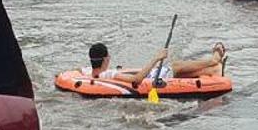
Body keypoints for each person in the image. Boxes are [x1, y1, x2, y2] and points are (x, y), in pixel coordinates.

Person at [83, 42, 226, 85]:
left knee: (191, 72)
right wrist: (156, 58)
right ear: (106, 58)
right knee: (176, 66)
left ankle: (215, 69)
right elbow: (136, 80)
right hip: (153, 79)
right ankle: (213, 60)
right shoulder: (109, 74)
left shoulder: (90, 73)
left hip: (154, 76)